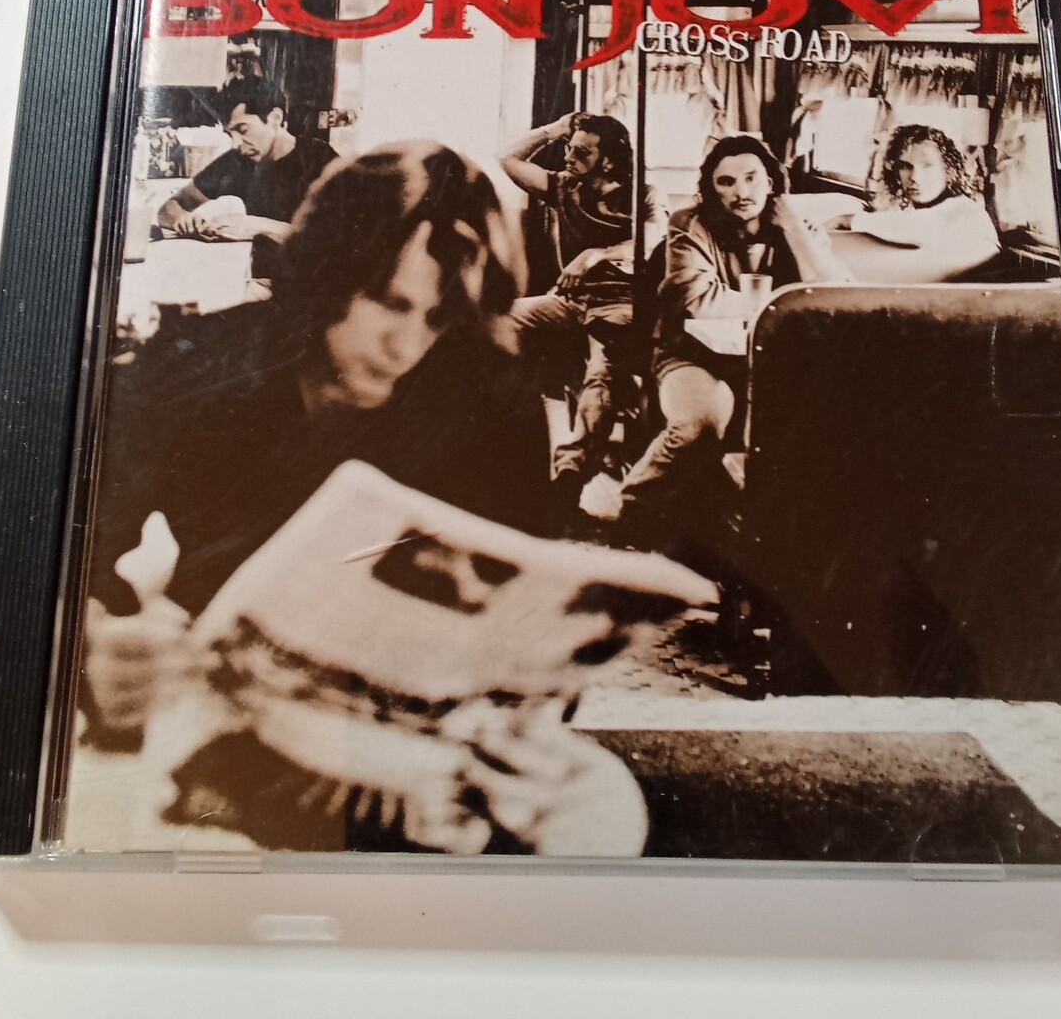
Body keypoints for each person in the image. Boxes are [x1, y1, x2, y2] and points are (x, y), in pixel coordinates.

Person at [81, 141, 709, 857]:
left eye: (438, 318)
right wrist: (97, 645)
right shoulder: (202, 362)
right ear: (325, 274)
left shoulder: (485, 393)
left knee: (599, 811)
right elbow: (74, 548)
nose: (407, 345)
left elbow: (522, 604)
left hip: (421, 731)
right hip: (229, 703)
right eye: (390, 303)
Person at [612, 135, 850, 523]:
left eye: (752, 178)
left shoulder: (798, 226)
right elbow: (697, 301)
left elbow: (833, 295)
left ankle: (763, 522)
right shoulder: (689, 224)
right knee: (701, 420)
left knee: (826, 419)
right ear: (712, 189)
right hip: (690, 355)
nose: (741, 192)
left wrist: (793, 229)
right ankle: (633, 509)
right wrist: (785, 308)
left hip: (774, 360)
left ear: (770, 182)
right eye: (727, 182)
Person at [500, 112, 664, 493]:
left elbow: (653, 241)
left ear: (607, 161)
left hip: (620, 303)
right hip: (569, 300)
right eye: (569, 149)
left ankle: (571, 472)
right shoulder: (564, 186)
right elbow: (506, 158)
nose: (569, 158)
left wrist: (594, 255)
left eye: (582, 153)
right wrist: (554, 130)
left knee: (601, 374)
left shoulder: (643, 194)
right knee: (495, 320)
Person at [156, 76, 337, 274]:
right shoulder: (237, 161)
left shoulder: (320, 158)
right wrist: (184, 220)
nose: (236, 144)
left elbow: (338, 239)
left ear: (275, 118)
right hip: (261, 278)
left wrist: (257, 225)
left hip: (314, 281)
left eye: (243, 130)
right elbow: (169, 207)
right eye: (229, 134)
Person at [846, 124, 1001, 280]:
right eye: (905, 166)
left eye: (927, 165)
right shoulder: (917, 214)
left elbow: (921, 224)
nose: (915, 177)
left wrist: (849, 220)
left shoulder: (965, 210)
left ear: (949, 170)